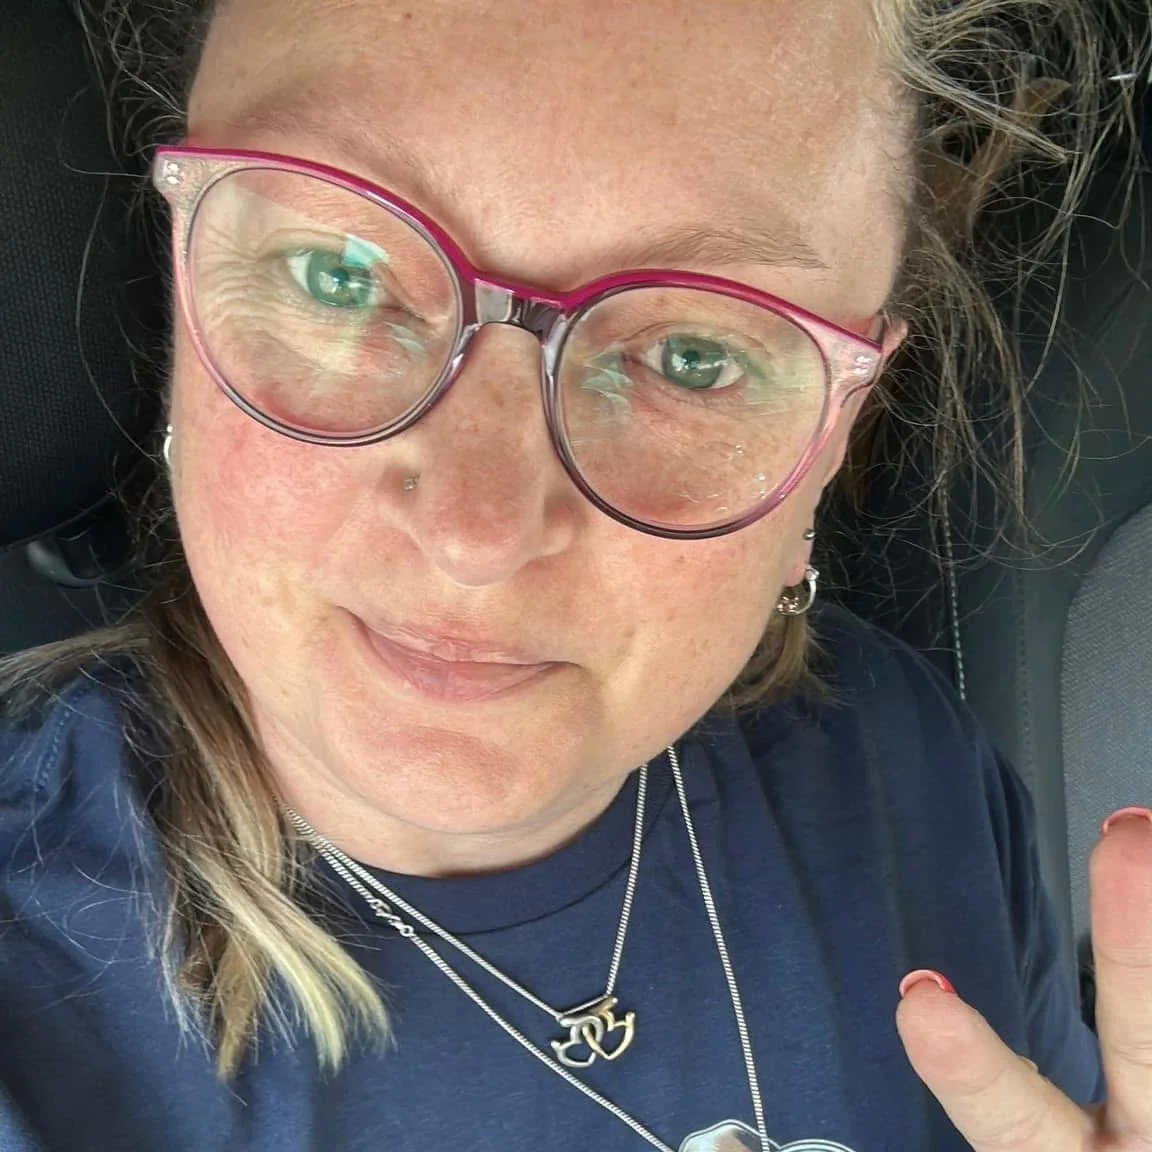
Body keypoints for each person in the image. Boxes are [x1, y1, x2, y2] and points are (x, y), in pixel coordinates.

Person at [1, 0, 1150, 1149]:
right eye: (339, 275)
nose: (475, 531)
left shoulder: (910, 766)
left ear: (837, 434)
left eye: (689, 357)